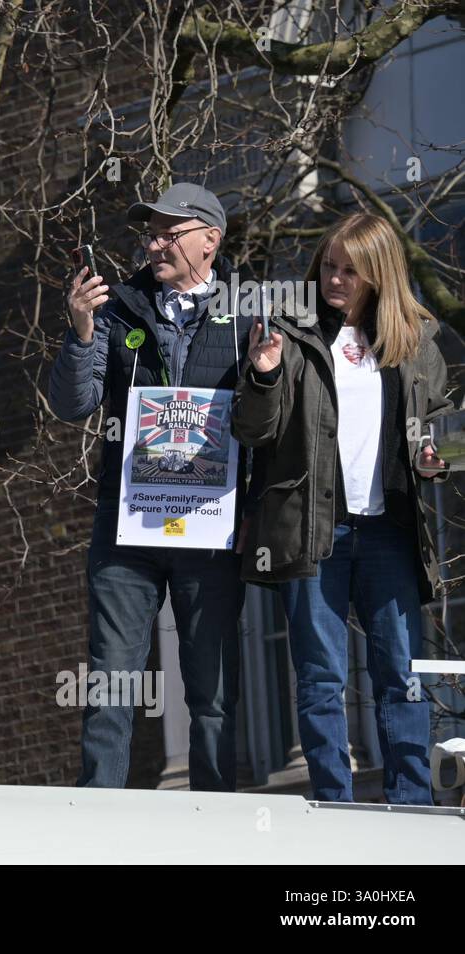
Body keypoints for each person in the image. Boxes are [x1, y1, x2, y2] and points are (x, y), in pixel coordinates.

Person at [232, 212, 449, 805]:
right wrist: (263, 374)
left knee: (399, 671)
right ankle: (333, 801)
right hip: (312, 530)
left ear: (378, 274)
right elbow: (253, 431)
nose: (334, 279)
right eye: (329, 265)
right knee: (321, 676)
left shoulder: (416, 343)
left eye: (350, 270)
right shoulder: (291, 333)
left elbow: (428, 432)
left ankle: (412, 800)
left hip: (391, 530)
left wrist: (434, 458)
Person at [50, 182, 254, 791]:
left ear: (211, 240)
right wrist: (82, 331)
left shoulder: (251, 314)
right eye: (151, 232)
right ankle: (98, 826)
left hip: (212, 530)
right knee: (111, 687)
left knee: (212, 690)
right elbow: (74, 404)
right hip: (127, 530)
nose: (155, 242)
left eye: (171, 232)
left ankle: (216, 822)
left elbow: (271, 427)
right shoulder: (118, 310)